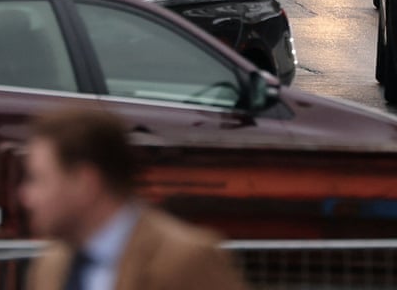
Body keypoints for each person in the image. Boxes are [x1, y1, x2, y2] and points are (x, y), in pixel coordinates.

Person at [21, 106, 247, 290]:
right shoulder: (51, 266)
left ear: (85, 182)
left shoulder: (184, 260)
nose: (26, 196)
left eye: (37, 179)